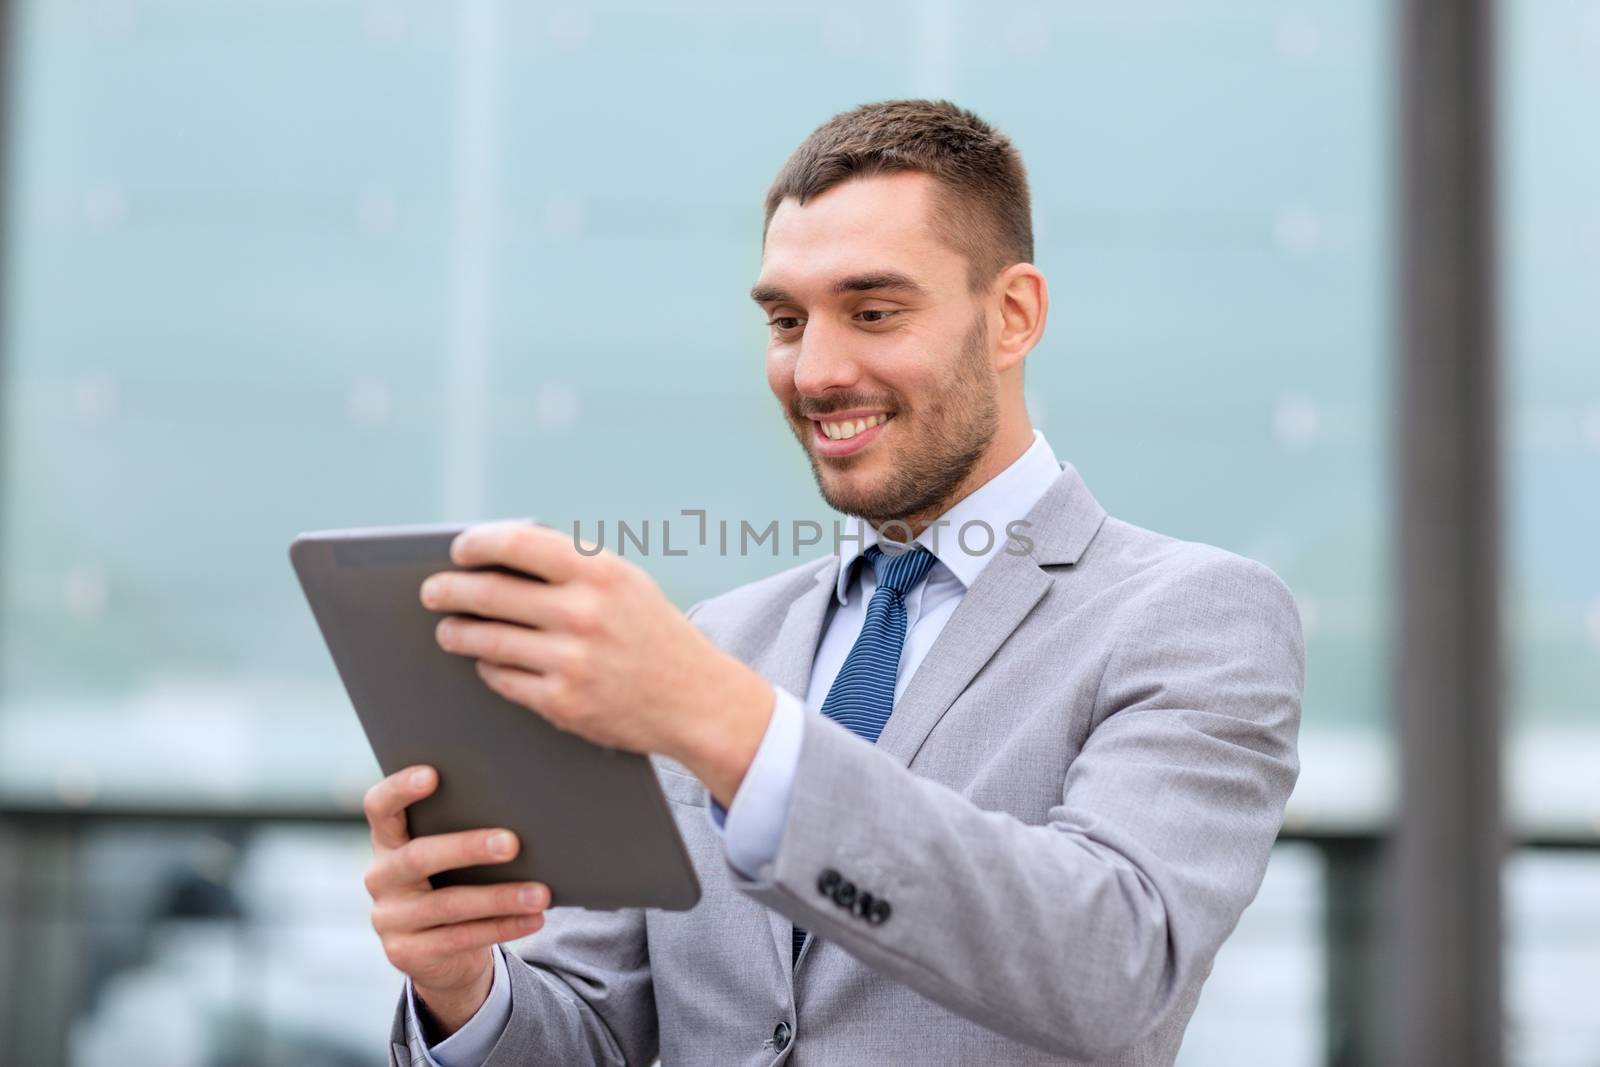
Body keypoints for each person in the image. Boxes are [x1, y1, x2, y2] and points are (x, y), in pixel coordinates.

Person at [362, 99, 1304, 1066]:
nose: (814, 371)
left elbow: (1119, 969)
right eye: (784, 319)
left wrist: (731, 729)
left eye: (874, 312)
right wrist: (461, 988)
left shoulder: (1193, 616)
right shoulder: (720, 638)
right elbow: (594, 1035)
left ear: (1012, 315)